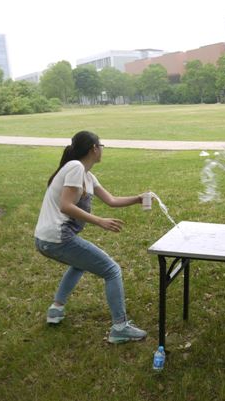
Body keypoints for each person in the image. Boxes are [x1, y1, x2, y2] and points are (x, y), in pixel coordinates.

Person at [34, 130, 148, 344]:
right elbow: (66, 206)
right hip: (58, 238)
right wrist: (99, 221)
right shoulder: (75, 167)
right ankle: (120, 327)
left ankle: (56, 309)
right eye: (100, 145)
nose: (102, 149)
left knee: (80, 264)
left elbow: (111, 200)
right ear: (94, 148)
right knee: (112, 270)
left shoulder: (87, 175)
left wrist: (138, 199)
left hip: (45, 239)